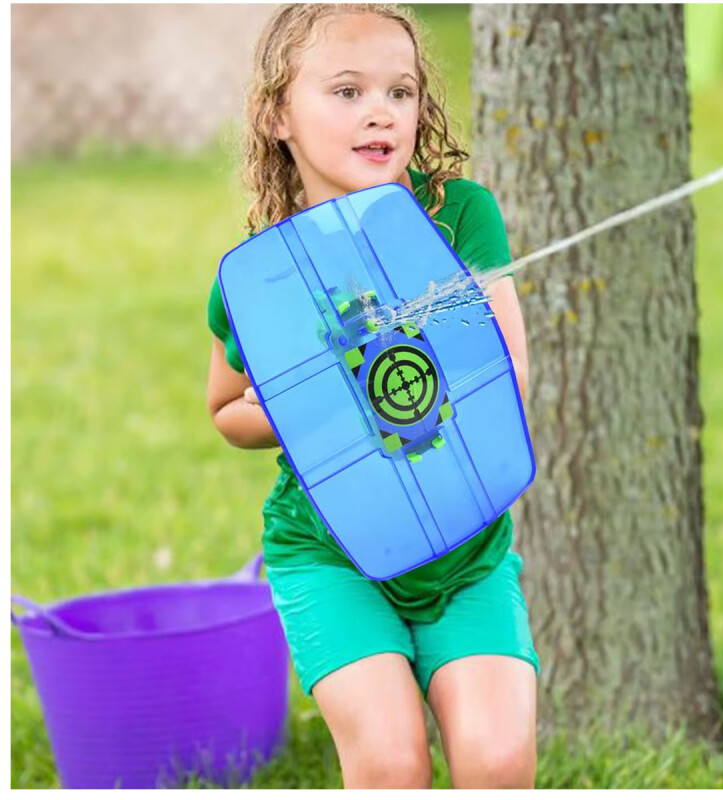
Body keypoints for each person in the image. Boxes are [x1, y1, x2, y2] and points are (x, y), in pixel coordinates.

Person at [206, 3, 540, 789]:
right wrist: (301, 408)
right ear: (276, 115)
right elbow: (226, 410)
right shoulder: (260, 277)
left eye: (401, 91)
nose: (381, 111)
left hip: (464, 552)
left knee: (499, 762)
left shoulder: (456, 217)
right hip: (331, 555)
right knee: (390, 764)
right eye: (347, 91)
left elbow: (510, 375)